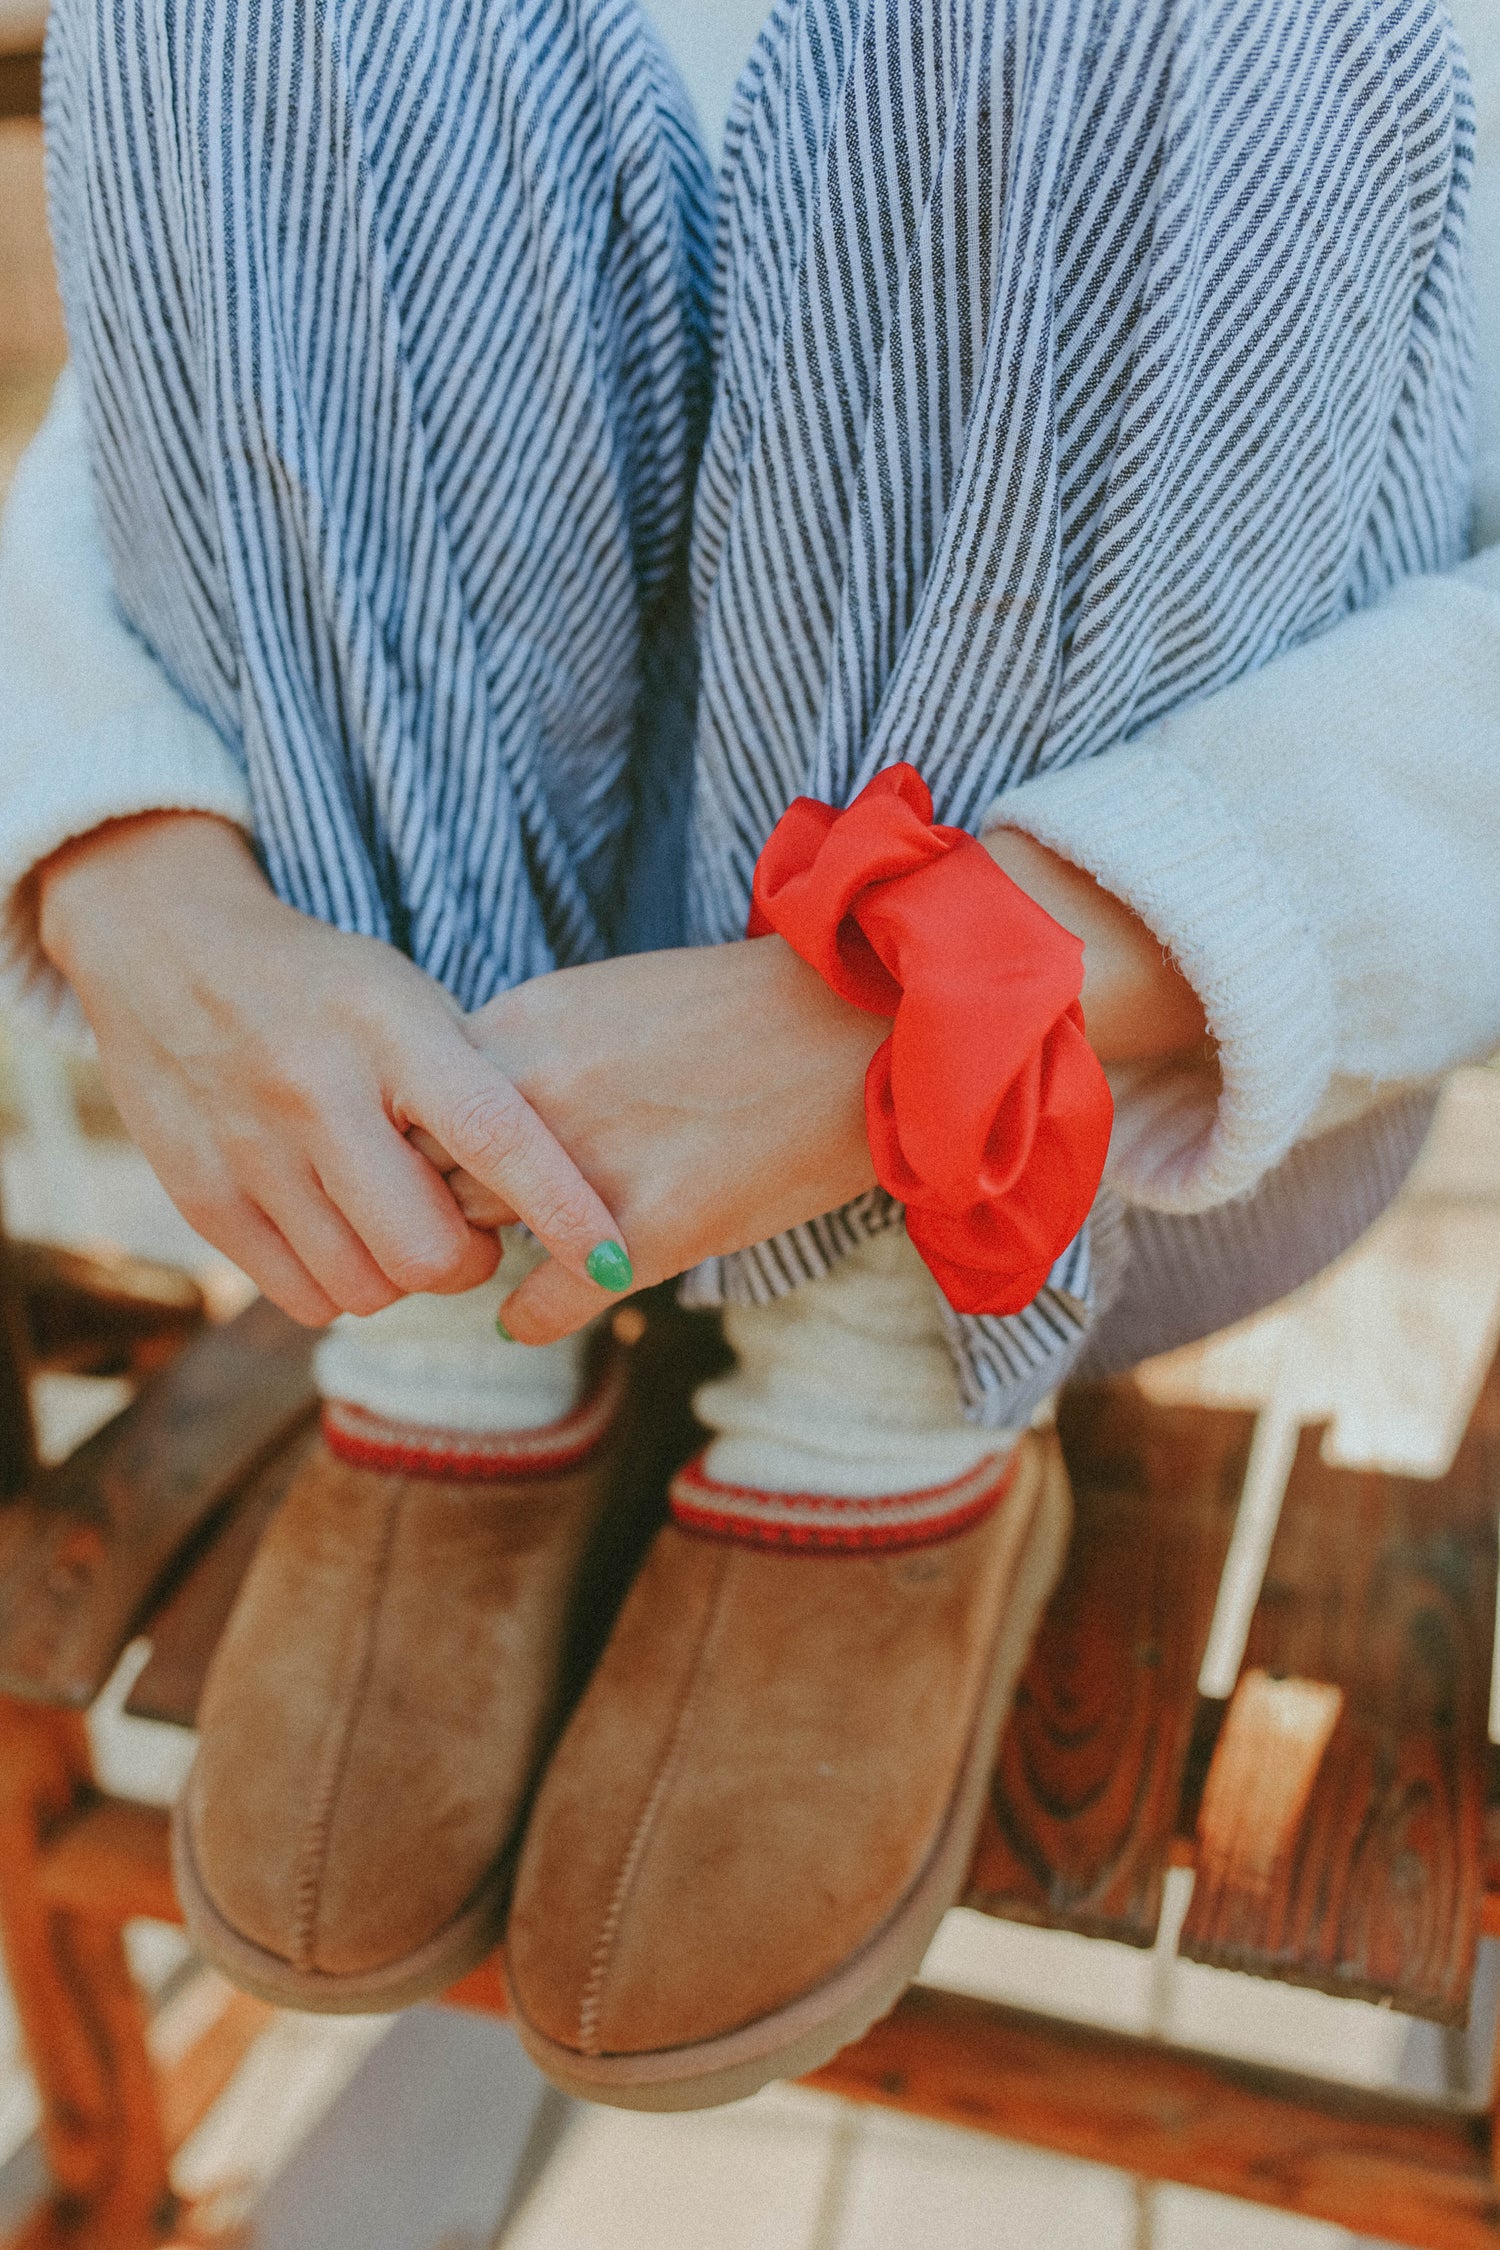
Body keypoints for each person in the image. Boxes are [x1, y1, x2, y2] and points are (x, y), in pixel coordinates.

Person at [0, 0, 1493, 2108]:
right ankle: (451, 1358)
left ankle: (873, 1409)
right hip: (439, 1144)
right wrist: (123, 866)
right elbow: (184, 398)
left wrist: (923, 1013)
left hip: (1075, 1151)